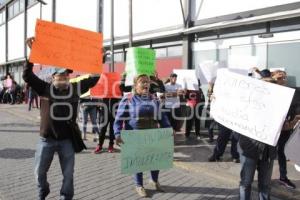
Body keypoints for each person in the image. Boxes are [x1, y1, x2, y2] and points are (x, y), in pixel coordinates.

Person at [23, 37, 101, 200]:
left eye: (67, 74)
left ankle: (65, 197)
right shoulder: (44, 88)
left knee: (68, 176)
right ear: (53, 77)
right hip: (46, 140)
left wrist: (98, 60)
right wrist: (31, 55)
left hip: (67, 140)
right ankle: (43, 190)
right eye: (61, 74)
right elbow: (27, 75)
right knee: (39, 173)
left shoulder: (74, 88)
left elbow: (94, 78)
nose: (65, 77)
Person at [238, 77, 296, 200]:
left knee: (265, 185)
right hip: (249, 150)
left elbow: (283, 127)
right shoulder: (248, 103)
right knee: (246, 183)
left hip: (268, 152)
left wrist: (293, 122)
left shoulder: (279, 107)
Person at [113, 74, 171, 197]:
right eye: (142, 82)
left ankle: (154, 181)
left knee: (156, 159)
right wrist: (117, 133)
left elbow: (162, 116)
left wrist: (168, 129)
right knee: (138, 161)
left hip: (153, 134)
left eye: (147, 82)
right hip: (136, 135)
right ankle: (139, 185)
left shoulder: (154, 99)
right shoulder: (128, 99)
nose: (146, 84)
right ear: (135, 85)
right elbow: (118, 119)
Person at [272, 70, 299, 189]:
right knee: (267, 155)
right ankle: (261, 177)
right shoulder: (267, 94)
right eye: (279, 78)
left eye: (284, 78)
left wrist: (294, 119)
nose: (283, 80)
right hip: (269, 132)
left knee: (282, 153)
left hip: (285, 131)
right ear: (272, 78)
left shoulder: (289, 93)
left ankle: (283, 177)